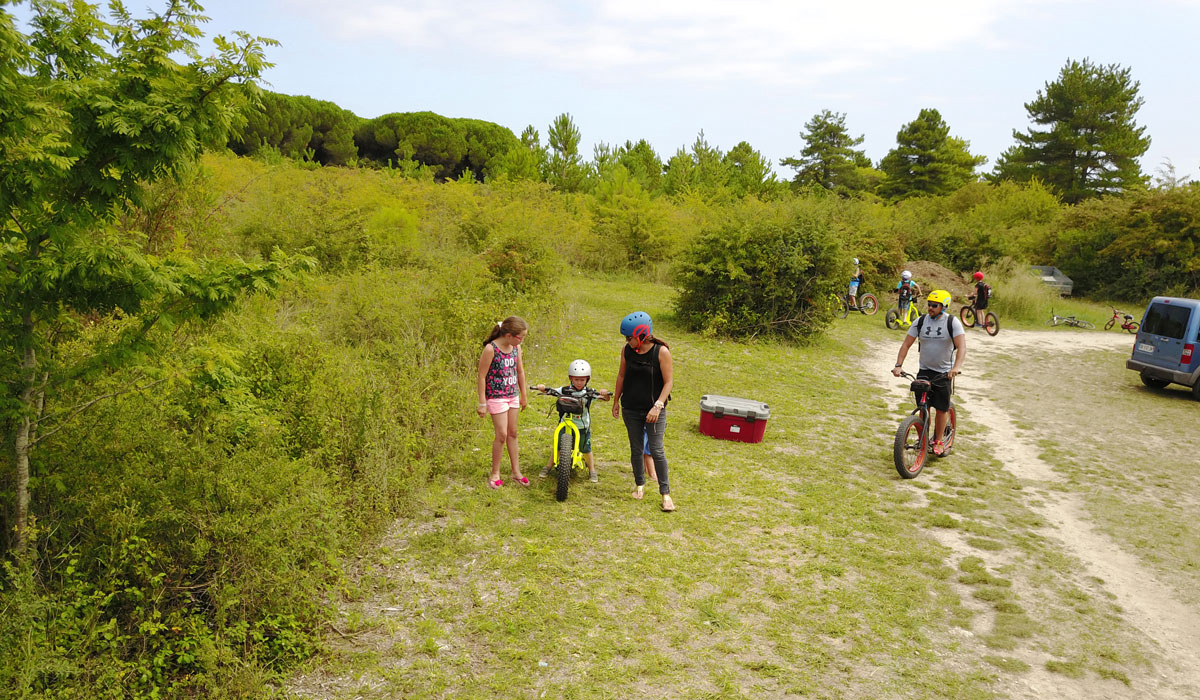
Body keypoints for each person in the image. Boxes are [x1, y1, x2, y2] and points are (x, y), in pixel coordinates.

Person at [611, 311, 675, 512]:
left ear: (641, 334)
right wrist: (616, 401)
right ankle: (639, 485)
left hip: (653, 410)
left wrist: (658, 405)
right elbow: (621, 376)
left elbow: (669, 382)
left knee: (656, 450)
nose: (627, 341)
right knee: (636, 448)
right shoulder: (627, 351)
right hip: (631, 408)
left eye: (629, 337)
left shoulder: (661, 352)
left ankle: (665, 494)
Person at [891, 291, 966, 457]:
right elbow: (906, 344)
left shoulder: (952, 322)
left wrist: (956, 367)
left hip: (944, 374)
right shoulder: (921, 321)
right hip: (924, 371)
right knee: (923, 408)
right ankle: (923, 439)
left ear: (943, 307)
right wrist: (898, 365)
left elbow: (962, 347)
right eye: (929, 304)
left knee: (941, 409)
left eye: (934, 305)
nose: (930, 307)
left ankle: (938, 440)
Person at [536, 359, 611, 483]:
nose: (579, 382)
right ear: (571, 378)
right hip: (566, 423)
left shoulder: (589, 393)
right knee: (558, 445)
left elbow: (605, 398)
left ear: (587, 379)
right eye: (576, 379)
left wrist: (605, 393)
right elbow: (551, 391)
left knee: (585, 448)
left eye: (582, 380)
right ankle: (548, 466)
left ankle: (592, 470)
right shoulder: (564, 390)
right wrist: (542, 388)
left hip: (582, 426)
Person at [476, 316, 530, 489]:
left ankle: (516, 473)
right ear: (508, 335)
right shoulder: (490, 349)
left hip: (512, 394)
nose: (521, 340)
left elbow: (520, 371)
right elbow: (482, 376)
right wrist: (482, 403)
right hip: (496, 396)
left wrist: (523, 395)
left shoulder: (516, 348)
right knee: (502, 435)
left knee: (512, 433)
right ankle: (495, 473)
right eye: (520, 337)